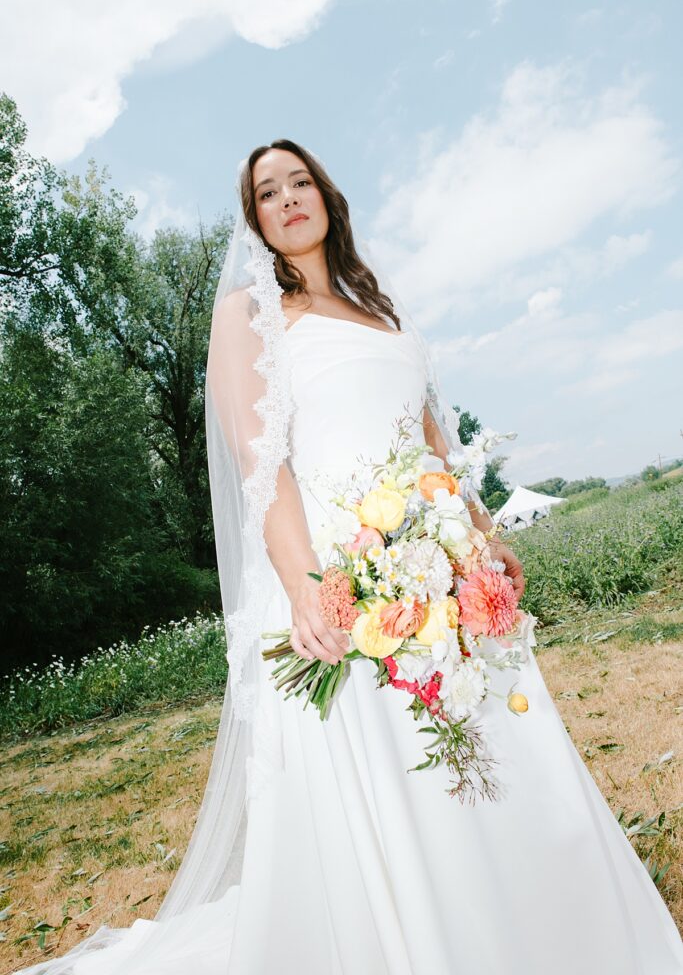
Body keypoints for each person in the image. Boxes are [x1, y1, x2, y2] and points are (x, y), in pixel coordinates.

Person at [14, 140, 683, 974]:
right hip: (344, 564)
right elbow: (261, 459)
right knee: (394, 760)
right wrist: (307, 588)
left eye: (300, 182)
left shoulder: (379, 307)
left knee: (492, 727)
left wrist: (479, 532)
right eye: (268, 192)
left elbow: (432, 439)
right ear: (254, 219)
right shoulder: (248, 315)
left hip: (437, 557)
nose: (288, 198)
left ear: (327, 197)